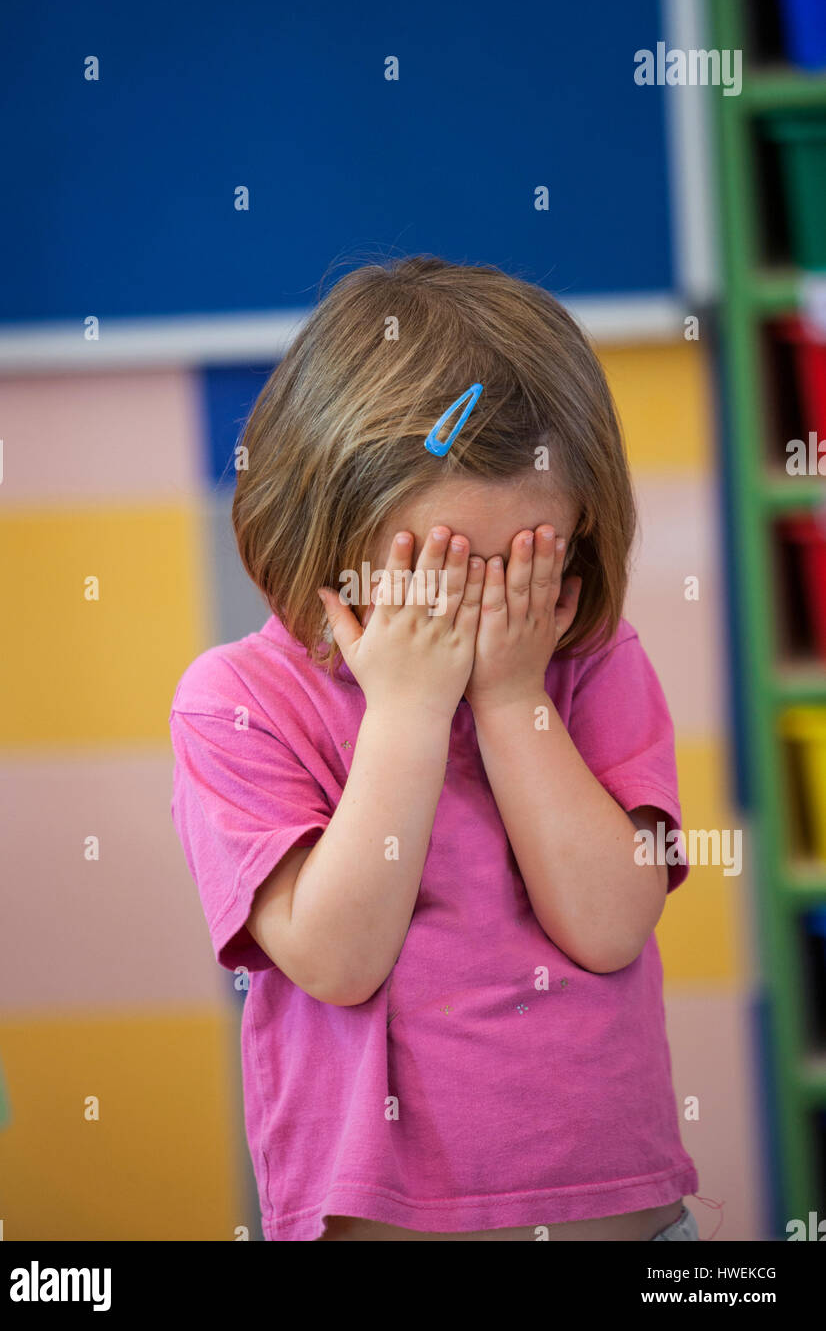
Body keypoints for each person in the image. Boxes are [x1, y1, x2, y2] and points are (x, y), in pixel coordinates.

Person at [169, 255, 700, 1241]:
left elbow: (607, 924)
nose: (491, 601)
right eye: (446, 567)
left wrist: (508, 700)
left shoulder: (584, 658)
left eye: (527, 560)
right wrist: (408, 716)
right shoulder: (238, 701)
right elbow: (334, 957)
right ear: (328, 521)